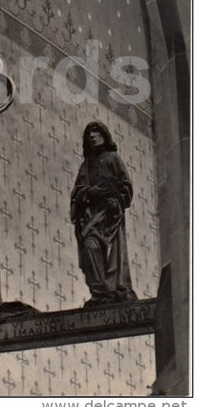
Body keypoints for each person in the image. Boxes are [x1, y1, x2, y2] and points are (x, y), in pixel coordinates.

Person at [70, 121, 138, 307]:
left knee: (113, 255)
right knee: (90, 248)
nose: (92, 136)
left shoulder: (113, 158)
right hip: (90, 217)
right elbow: (77, 192)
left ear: (104, 136)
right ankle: (99, 293)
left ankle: (114, 290)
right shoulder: (86, 165)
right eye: (89, 135)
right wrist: (91, 193)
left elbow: (126, 185)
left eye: (96, 132)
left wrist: (117, 201)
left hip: (110, 217)